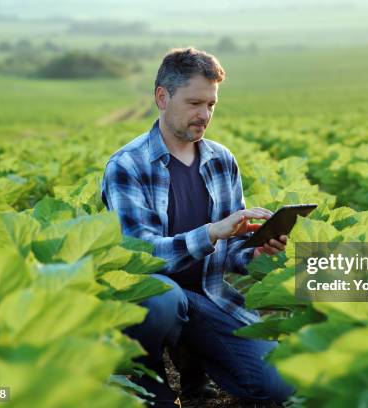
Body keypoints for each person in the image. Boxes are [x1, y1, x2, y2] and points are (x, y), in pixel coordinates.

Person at [101, 47, 294, 407]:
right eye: (194, 103)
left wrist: (254, 251)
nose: (204, 115)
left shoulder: (221, 161)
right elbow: (138, 255)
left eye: (211, 105)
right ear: (162, 97)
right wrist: (210, 233)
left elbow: (231, 251)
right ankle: (149, 376)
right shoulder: (127, 166)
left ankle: (194, 360)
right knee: (163, 298)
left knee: (278, 386)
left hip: (210, 298)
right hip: (156, 297)